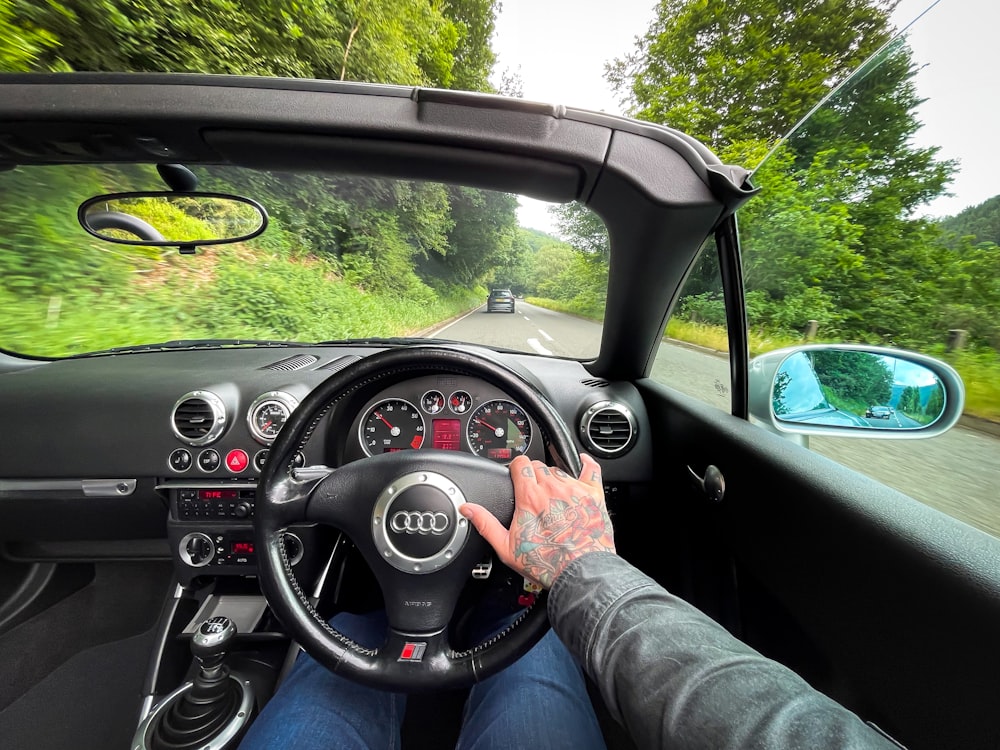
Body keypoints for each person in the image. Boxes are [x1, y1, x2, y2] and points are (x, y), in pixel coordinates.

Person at [241, 454, 899, 750]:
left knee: (350, 636)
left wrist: (582, 568)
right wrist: (571, 572)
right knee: (533, 639)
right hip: (527, 598)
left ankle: (378, 626)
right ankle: (506, 616)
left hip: (379, 628)